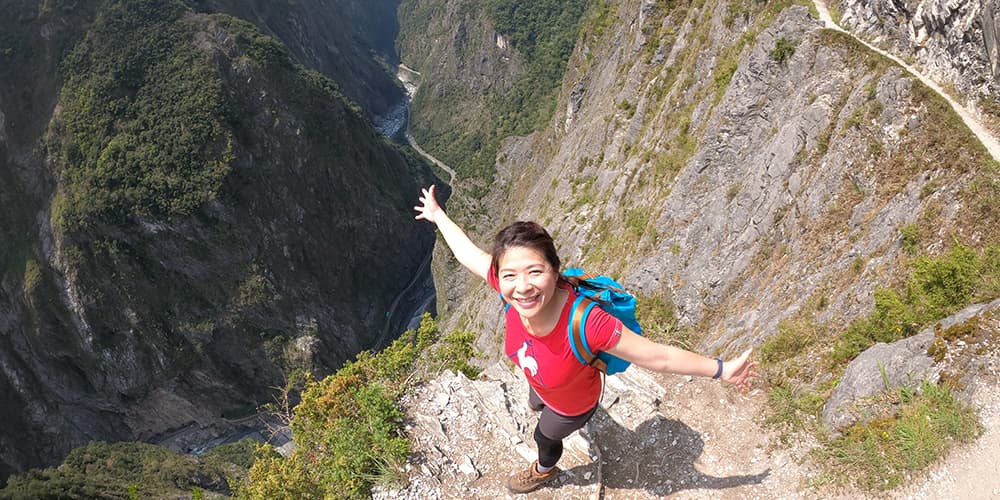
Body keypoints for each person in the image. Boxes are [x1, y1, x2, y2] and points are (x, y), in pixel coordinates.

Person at [413, 185, 759, 494]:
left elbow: (658, 357)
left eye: (535, 271)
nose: (522, 286)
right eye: (510, 275)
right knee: (536, 402)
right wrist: (438, 215)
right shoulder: (511, 293)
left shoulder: (587, 322)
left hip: (573, 402)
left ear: (554, 270)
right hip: (543, 382)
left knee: (544, 435)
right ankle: (541, 407)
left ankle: (544, 470)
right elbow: (468, 253)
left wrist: (721, 369)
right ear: (500, 277)